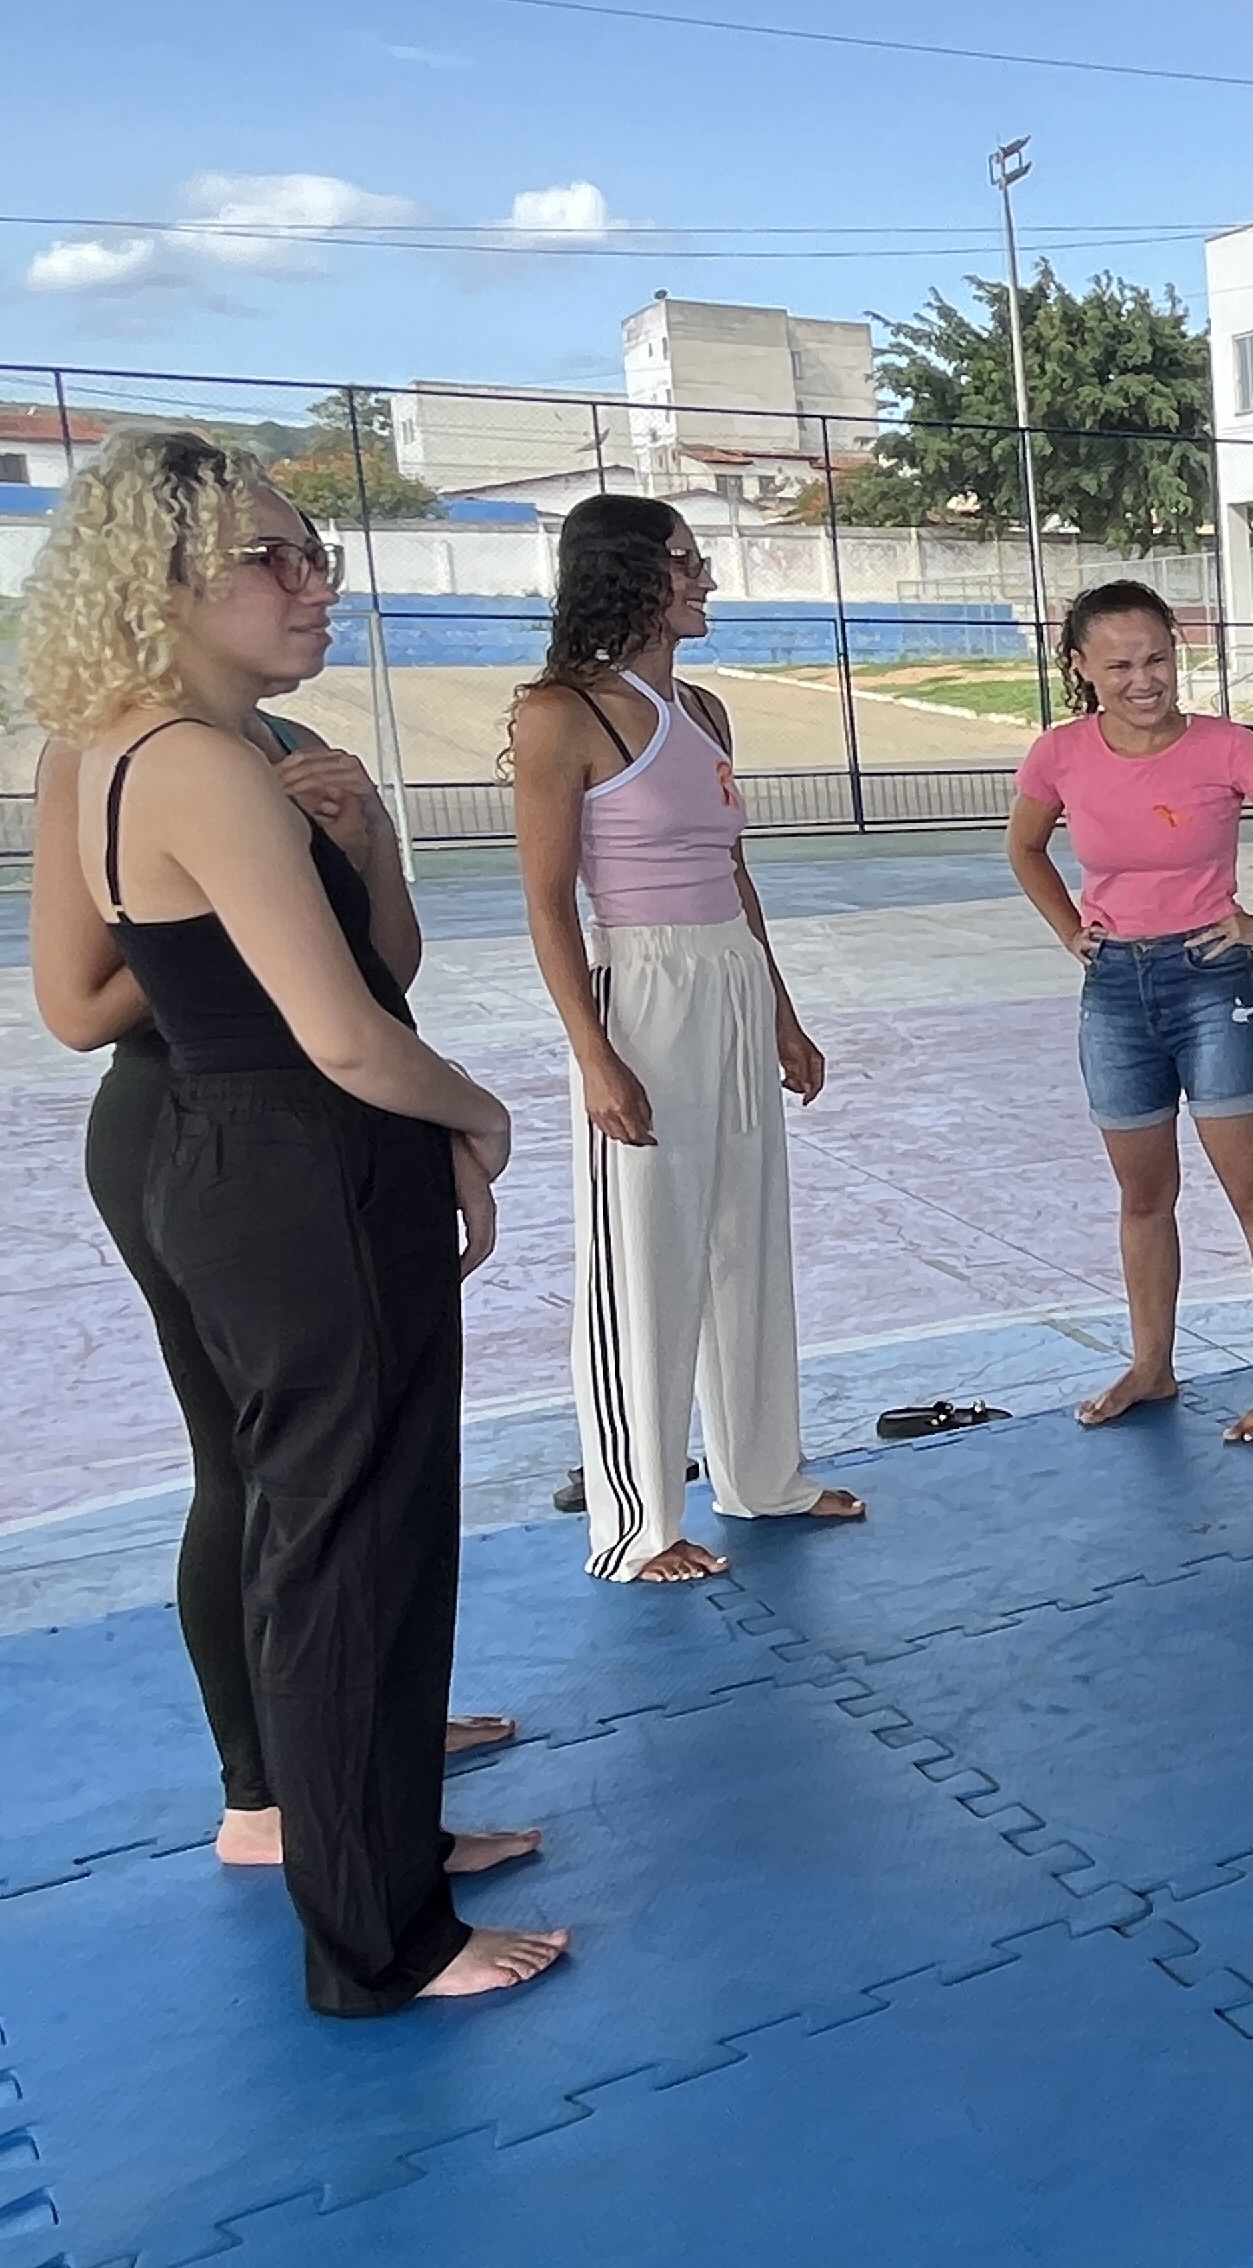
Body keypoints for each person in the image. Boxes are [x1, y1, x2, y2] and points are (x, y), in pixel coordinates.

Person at [25, 428, 567, 2008]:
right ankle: (376, 1939)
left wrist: (359, 840)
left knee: (363, 1534)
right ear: (166, 581)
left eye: (313, 551)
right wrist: (476, 1111)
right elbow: (342, 1033)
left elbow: (355, 979)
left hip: (277, 1153)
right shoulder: (185, 762)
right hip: (292, 1160)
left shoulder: (195, 749)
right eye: (273, 557)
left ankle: (387, 1854)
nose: (311, 581)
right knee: (338, 1546)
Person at [505, 496, 866, 1584]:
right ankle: (637, 1523)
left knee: (746, 1238)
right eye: (683, 560)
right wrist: (595, 1056)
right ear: (625, 572)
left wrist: (781, 1013)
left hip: (729, 976)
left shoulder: (703, 710)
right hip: (644, 988)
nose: (704, 578)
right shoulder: (561, 714)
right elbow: (546, 906)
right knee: (646, 1256)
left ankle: (763, 1476)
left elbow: (735, 871)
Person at [1007, 580, 1253, 1445]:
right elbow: (1025, 845)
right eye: (1120, 665)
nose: (1143, 680)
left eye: (1157, 658)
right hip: (1115, 992)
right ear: (1081, 667)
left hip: (1211, 981)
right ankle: (1151, 1364)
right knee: (1144, 1194)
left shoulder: (1225, 746)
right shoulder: (1059, 755)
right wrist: (1069, 929)